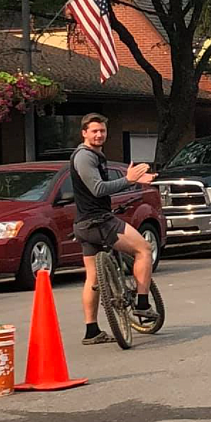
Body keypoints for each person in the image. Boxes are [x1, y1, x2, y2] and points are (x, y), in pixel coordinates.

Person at [70, 113, 158, 346]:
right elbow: (99, 189)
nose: (99, 135)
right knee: (144, 249)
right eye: (94, 131)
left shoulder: (95, 155)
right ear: (84, 133)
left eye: (102, 131)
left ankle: (92, 331)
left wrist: (137, 180)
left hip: (84, 223)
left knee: (92, 278)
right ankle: (142, 304)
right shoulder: (84, 157)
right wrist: (129, 180)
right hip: (98, 222)